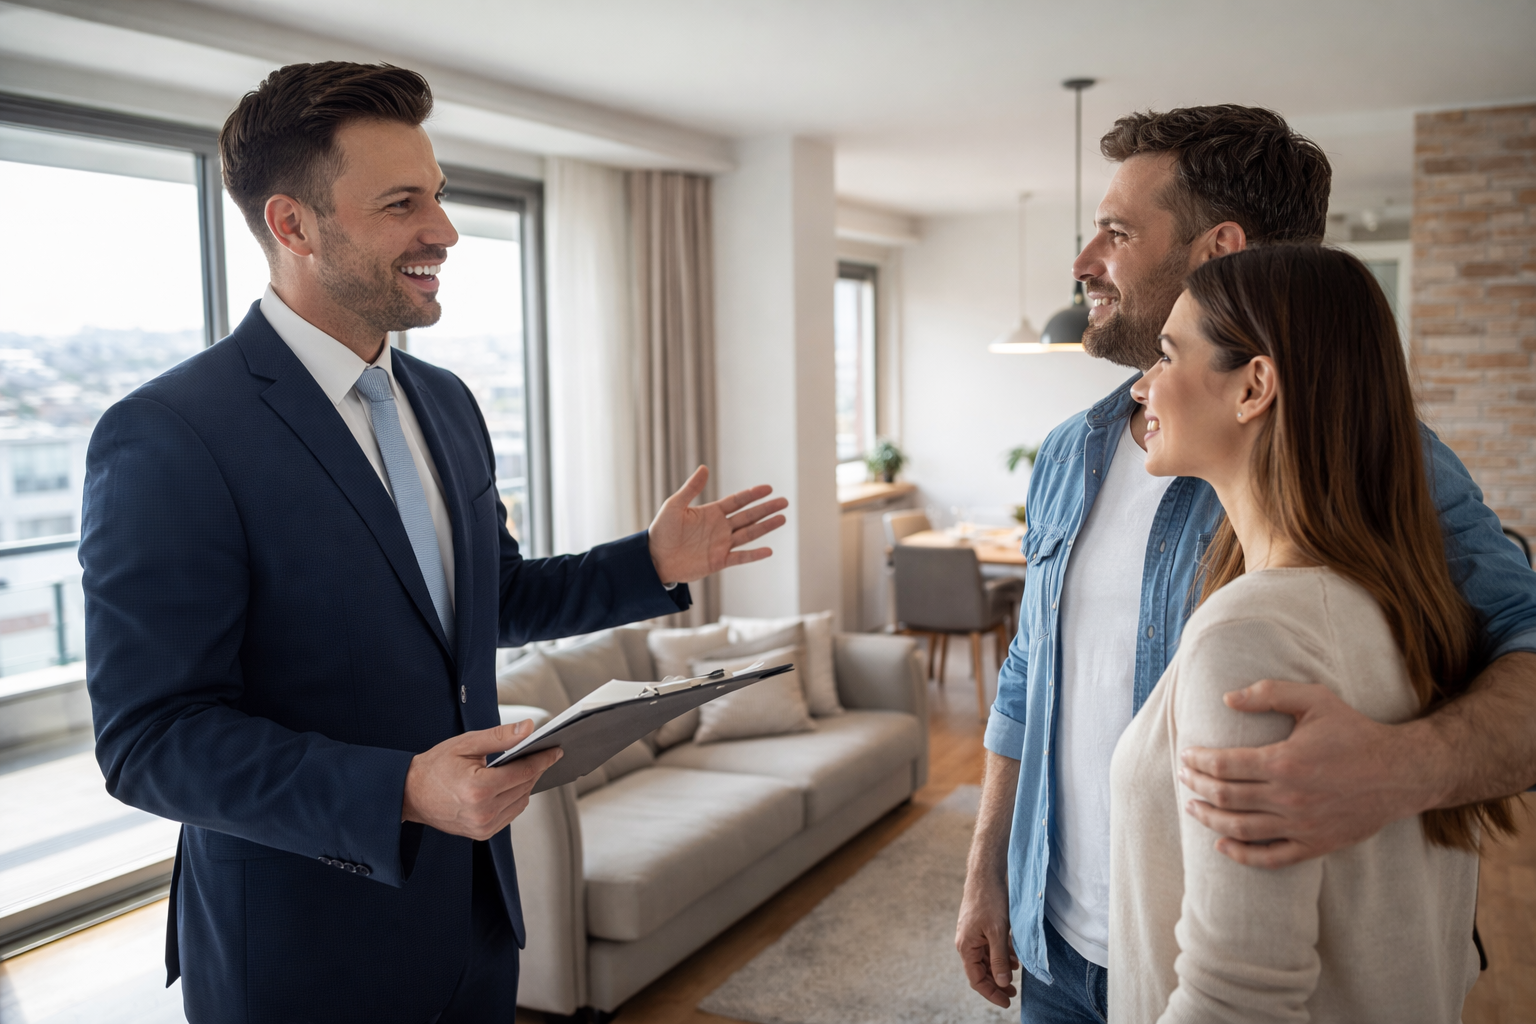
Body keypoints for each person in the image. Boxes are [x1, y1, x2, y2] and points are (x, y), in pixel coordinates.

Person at [81, 62, 786, 1023]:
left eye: (441, 198)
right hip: (299, 950)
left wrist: (649, 565)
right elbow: (151, 740)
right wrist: (401, 790)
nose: (445, 232)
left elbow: (487, 602)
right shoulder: (168, 434)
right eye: (403, 203)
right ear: (292, 226)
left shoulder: (443, 404)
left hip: (473, 918)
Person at [955, 104, 1536, 1021]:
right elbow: (1031, 669)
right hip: (1058, 947)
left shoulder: (1377, 459)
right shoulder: (1073, 450)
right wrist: (990, 867)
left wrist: (1405, 767)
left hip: (1210, 959)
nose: (1082, 265)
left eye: (1115, 232)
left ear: (1217, 250)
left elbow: (1524, 643)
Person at [1111, 243, 1513, 1021]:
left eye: (1167, 354)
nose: (1143, 383)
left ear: (1254, 386)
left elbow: (1238, 1001)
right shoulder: (1409, 604)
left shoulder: (1250, 637)